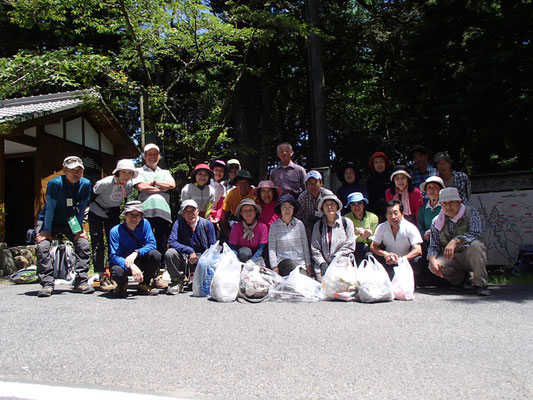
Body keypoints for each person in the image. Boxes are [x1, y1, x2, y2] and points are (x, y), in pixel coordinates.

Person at [35, 156, 94, 297]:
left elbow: (81, 210)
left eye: (79, 170)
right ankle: (47, 283)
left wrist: (79, 230)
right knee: (43, 246)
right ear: (64, 170)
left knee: (83, 243)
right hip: (50, 220)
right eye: (72, 170)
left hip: (71, 220)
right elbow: (50, 208)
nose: (76, 174)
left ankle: (81, 281)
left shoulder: (85, 184)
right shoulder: (55, 184)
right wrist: (46, 231)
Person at [427, 188, 490, 296]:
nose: (448, 207)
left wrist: (456, 240)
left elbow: (476, 233)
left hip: (468, 254)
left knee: (476, 246)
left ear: (459, 202)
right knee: (434, 264)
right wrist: (432, 260)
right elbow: (434, 245)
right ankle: (459, 281)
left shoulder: (470, 212)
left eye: (451, 202)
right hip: (451, 258)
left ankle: (481, 284)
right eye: (444, 203)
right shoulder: (436, 221)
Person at [88, 159, 137, 291]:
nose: (126, 175)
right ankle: (98, 271)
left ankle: (111, 270)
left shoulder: (129, 184)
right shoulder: (105, 182)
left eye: (129, 173)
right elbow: (93, 192)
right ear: (117, 172)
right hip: (96, 211)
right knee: (98, 243)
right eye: (123, 172)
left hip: (113, 213)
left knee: (113, 243)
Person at [108, 201, 162, 297]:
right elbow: (114, 256)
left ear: (141, 217)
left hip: (139, 259)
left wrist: (136, 252)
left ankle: (144, 284)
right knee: (117, 272)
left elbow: (152, 244)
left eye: (137, 215)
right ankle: (122, 284)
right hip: (123, 263)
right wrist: (131, 266)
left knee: (155, 255)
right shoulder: (115, 231)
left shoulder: (145, 224)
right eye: (131, 214)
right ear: (124, 216)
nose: (134, 218)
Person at [133, 143, 176, 262]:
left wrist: (153, 182)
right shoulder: (138, 171)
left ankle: (161, 267)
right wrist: (161, 188)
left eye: (155, 154)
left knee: (161, 240)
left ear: (159, 156)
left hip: (163, 211)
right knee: (145, 239)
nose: (152, 156)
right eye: (149, 154)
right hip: (145, 211)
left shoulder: (165, 172)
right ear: (144, 156)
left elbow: (172, 185)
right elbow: (141, 187)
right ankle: (145, 265)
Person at [164, 200, 217, 295]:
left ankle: (201, 279)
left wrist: (204, 259)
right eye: (187, 211)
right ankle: (176, 281)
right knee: (170, 253)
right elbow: (172, 242)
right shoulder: (178, 224)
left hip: (202, 259)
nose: (190, 214)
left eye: (192, 210)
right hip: (185, 257)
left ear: (197, 211)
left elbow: (213, 247)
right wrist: (189, 251)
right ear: (182, 214)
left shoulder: (207, 224)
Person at [369, 200, 425, 283]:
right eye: (390, 214)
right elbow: (373, 246)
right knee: (369, 256)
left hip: (405, 261)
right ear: (386, 216)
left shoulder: (410, 227)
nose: (393, 217)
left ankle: (412, 280)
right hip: (388, 260)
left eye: (396, 213)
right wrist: (385, 254)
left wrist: (401, 260)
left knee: (418, 260)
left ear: (402, 214)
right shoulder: (382, 227)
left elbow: (418, 250)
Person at [310, 194, 356, 282]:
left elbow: (350, 244)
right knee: (325, 289)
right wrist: (322, 263)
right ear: (322, 208)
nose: (329, 207)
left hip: (342, 262)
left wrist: (336, 258)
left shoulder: (346, 223)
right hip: (323, 265)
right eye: (326, 205)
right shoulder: (318, 225)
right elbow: (315, 248)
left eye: (332, 204)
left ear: (337, 206)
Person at [268, 194, 312, 276]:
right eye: (284, 207)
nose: (287, 210)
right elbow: (272, 248)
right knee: (293, 267)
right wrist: (274, 266)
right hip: (283, 262)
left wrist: (308, 264)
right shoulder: (274, 226)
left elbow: (305, 246)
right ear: (280, 209)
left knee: (303, 279)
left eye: (290, 207)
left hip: (300, 262)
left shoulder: (299, 224)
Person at [296, 170, 334, 241]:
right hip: (309, 224)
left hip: (327, 222)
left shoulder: (328, 195)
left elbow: (336, 212)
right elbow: (298, 215)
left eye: (315, 182)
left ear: (321, 183)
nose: (313, 186)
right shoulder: (303, 197)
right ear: (306, 185)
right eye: (310, 183)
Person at [229, 198, 268, 262]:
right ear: (241, 213)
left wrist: (252, 261)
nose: (248, 213)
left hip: (258, 257)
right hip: (242, 257)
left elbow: (261, 248)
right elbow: (233, 248)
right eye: (245, 210)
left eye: (251, 210)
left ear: (255, 212)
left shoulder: (262, 227)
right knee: (245, 252)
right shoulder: (236, 227)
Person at [344, 192, 378, 265]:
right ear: (350, 206)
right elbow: (346, 240)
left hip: (370, 250)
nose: (357, 207)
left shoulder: (373, 217)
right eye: (353, 204)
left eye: (359, 203)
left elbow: (376, 240)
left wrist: (367, 236)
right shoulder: (345, 219)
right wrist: (362, 236)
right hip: (352, 251)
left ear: (363, 204)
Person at [220, 169, 255, 240]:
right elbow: (224, 215)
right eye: (240, 183)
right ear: (236, 184)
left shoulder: (254, 194)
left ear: (249, 184)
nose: (243, 186)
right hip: (235, 220)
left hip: (252, 221)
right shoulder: (231, 194)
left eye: (245, 183)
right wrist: (227, 232)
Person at [417, 176, 445, 245]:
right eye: (429, 187)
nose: (432, 190)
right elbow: (420, 227)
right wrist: (425, 234)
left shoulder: (445, 207)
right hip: (427, 241)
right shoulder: (422, 209)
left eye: (435, 187)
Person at [366, 151, 392, 221]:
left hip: (391, 210)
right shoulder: (370, 179)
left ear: (385, 163)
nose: (379, 165)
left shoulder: (391, 177)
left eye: (381, 162)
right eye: (376, 162)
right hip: (376, 212)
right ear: (373, 165)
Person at [209, 160, 227, 227]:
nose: (218, 172)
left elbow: (220, 205)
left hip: (214, 216)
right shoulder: (206, 183)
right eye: (216, 170)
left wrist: (217, 218)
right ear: (212, 171)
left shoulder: (222, 188)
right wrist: (209, 217)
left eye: (221, 171)